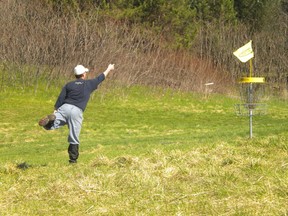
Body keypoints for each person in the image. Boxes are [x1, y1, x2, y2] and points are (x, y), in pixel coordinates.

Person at [38, 63, 115, 163]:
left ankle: (50, 122)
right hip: (76, 111)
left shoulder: (69, 85)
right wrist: (109, 68)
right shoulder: (88, 84)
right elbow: (101, 77)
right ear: (83, 74)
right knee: (74, 136)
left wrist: (55, 110)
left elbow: (61, 98)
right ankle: (73, 160)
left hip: (64, 108)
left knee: (53, 125)